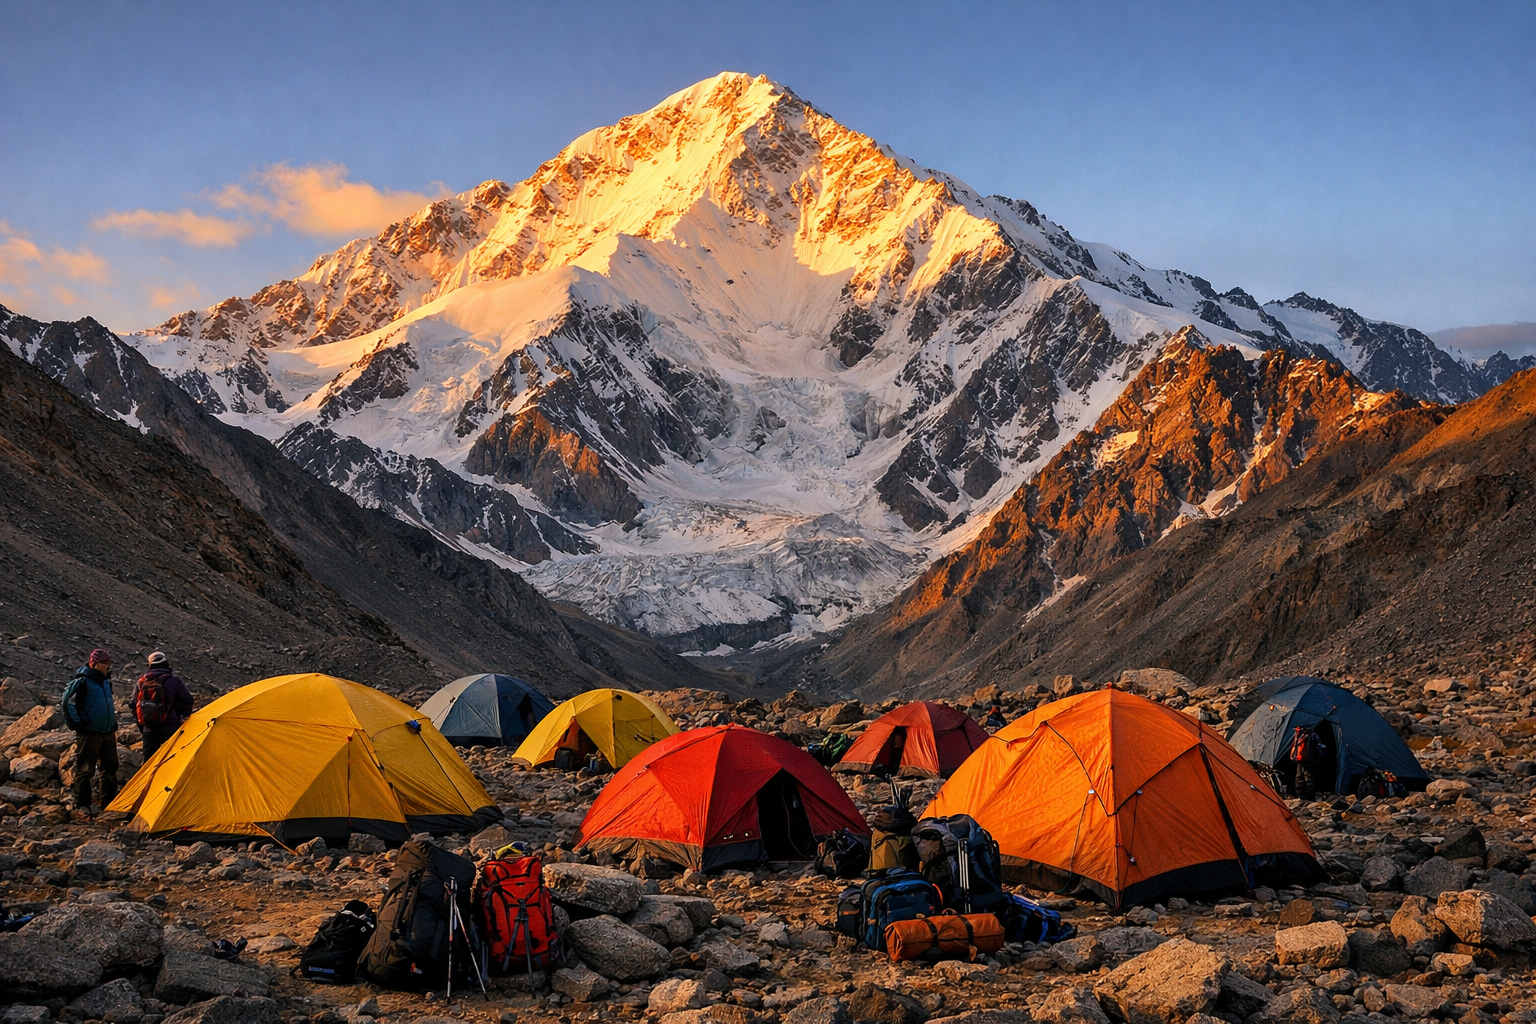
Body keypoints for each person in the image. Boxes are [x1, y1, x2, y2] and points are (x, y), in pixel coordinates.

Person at [61, 648, 119, 812]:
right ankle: (82, 805)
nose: (108, 666)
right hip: (90, 732)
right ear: (95, 664)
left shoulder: (106, 681)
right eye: (105, 663)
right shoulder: (83, 681)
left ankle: (108, 803)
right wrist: (77, 723)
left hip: (107, 731)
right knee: (85, 769)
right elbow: (66, 702)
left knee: (110, 768)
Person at [133, 651, 195, 759]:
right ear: (166, 663)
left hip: (149, 730)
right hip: (170, 728)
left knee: (149, 764)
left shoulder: (141, 682)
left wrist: (142, 727)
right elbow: (188, 700)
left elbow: (134, 705)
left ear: (150, 665)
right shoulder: (173, 681)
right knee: (173, 761)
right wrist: (184, 717)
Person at [1290, 724, 1327, 800]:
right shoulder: (1312, 734)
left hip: (1299, 758)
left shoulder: (1298, 733)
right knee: (1309, 777)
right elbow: (1319, 746)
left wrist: (1293, 757)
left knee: (1299, 776)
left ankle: (1299, 794)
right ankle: (1309, 796)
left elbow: (1294, 746)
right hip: (1308, 758)